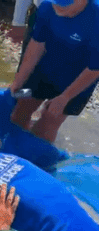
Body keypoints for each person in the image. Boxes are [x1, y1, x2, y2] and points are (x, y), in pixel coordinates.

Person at [9, 0, 99, 142]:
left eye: (63, 6)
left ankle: (39, 158)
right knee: (19, 111)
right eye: (55, 4)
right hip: (46, 66)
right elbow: (37, 44)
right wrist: (19, 80)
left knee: (49, 121)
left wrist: (65, 97)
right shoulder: (47, 5)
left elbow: (95, 68)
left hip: (79, 75)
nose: (57, 10)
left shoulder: (96, 17)